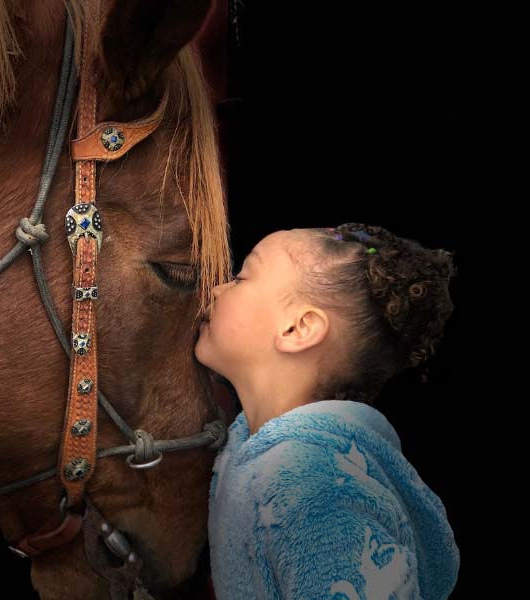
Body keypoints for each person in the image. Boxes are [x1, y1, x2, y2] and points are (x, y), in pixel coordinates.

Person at [195, 224, 460, 599]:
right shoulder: (253, 453)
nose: (218, 289)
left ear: (297, 328)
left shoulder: (314, 488)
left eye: (241, 278)